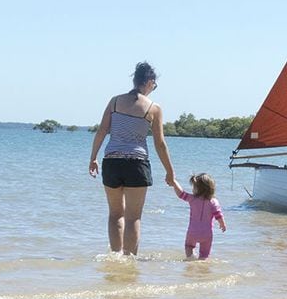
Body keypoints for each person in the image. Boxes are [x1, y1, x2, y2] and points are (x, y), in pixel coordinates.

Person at [88, 61, 176, 255]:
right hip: (137, 163)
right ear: (150, 82)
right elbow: (160, 143)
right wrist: (170, 171)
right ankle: (129, 261)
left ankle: (115, 257)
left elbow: (102, 131)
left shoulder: (115, 101)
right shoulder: (153, 108)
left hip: (111, 161)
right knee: (133, 217)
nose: (154, 88)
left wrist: (93, 158)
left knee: (115, 214)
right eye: (154, 85)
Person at [172, 173, 226, 260]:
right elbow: (218, 214)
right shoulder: (213, 201)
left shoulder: (192, 199)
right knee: (204, 254)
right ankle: (201, 265)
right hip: (207, 234)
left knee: (189, 246)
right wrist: (222, 224)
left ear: (197, 188)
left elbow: (181, 193)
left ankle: (191, 259)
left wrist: (174, 182)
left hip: (193, 232)